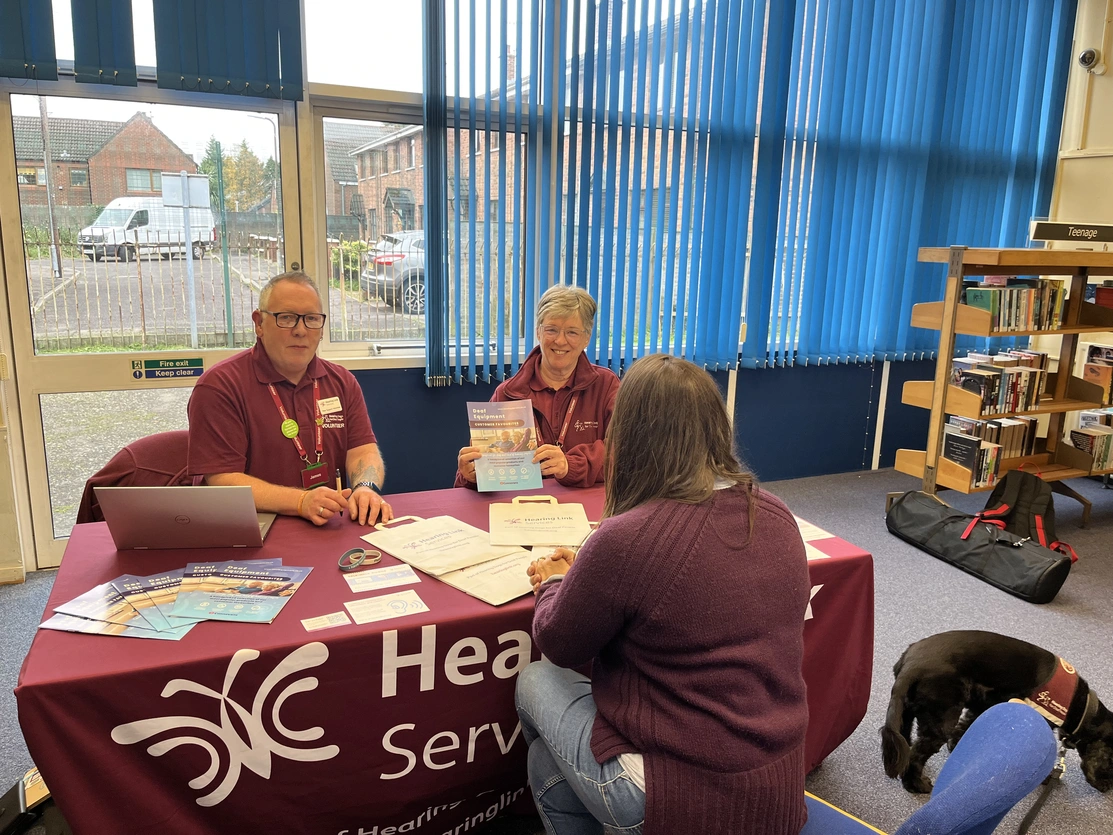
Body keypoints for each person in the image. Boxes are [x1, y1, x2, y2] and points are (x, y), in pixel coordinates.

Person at [515, 354, 811, 835]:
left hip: (673, 794)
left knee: (535, 681)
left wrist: (553, 582)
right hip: (774, 785)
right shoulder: (775, 513)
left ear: (631, 435)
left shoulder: (627, 538)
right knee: (547, 763)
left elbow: (560, 642)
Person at [188, 271, 393, 526]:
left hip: (323, 526)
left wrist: (365, 487)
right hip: (250, 531)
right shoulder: (220, 386)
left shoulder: (341, 381)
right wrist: (300, 502)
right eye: (286, 318)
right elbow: (223, 478)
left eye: (311, 319)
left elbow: (362, 449)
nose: (300, 330)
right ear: (259, 324)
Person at [455, 285, 619, 488]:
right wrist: (471, 475)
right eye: (552, 330)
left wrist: (571, 465)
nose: (560, 340)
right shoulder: (508, 394)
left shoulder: (606, 386)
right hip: (521, 509)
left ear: (587, 337)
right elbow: (478, 475)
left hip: (589, 509)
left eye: (572, 332)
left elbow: (623, 453)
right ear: (538, 332)